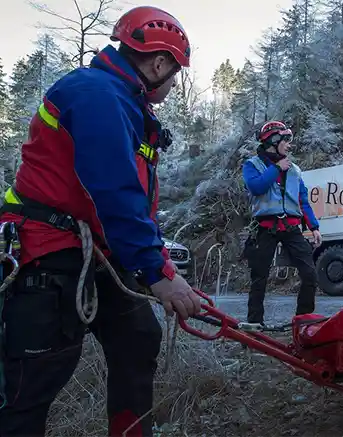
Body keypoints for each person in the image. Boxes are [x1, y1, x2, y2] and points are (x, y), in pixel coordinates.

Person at [0, 6, 201, 437]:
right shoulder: (97, 95)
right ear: (159, 63)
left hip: (93, 254)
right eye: (176, 72)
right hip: (50, 255)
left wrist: (160, 268)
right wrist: (156, 272)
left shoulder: (122, 101)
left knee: (138, 339)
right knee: (30, 385)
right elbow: (112, 189)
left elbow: (131, 203)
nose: (174, 82)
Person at [242, 121, 322, 326]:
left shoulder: (294, 169)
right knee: (259, 279)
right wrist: (276, 169)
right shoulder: (252, 165)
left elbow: (303, 199)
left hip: (291, 228)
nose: (289, 145)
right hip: (265, 228)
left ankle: (302, 323)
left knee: (310, 274)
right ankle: (254, 326)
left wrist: (314, 227)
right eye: (285, 140)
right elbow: (256, 187)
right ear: (273, 140)